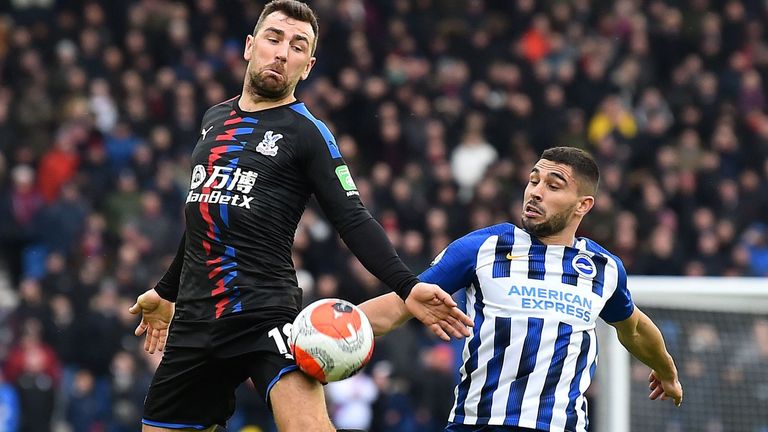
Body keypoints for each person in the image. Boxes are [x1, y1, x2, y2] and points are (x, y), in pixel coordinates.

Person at [128, 1, 472, 431]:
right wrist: (166, 292)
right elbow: (207, 215)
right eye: (273, 38)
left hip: (264, 313)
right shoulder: (214, 118)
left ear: (306, 67)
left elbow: (353, 217)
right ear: (250, 47)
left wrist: (407, 284)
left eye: (297, 46)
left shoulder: (308, 133)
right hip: (196, 321)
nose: (282, 52)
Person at [360, 146, 683, 432]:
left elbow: (635, 328)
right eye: (533, 181)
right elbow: (400, 306)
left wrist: (666, 369)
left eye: (553, 185)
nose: (536, 192)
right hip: (479, 424)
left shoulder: (603, 267)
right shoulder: (485, 247)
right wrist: (329, 328)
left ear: (583, 205)